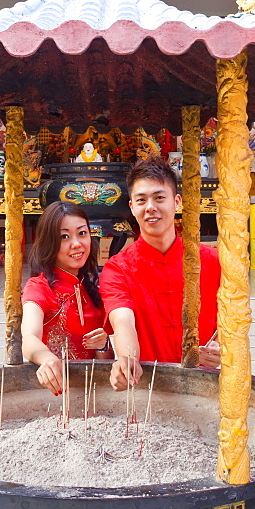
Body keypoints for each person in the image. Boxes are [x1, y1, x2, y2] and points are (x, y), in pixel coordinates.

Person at [99, 155, 221, 391]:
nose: (151, 207)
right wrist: (127, 360)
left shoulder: (212, 261)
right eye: (141, 200)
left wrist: (220, 348)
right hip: (150, 387)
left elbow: (231, 322)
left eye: (159, 198)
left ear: (176, 202)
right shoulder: (118, 269)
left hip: (206, 385)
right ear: (132, 207)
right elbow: (122, 321)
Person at [21, 201, 113, 395]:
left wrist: (103, 346)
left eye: (82, 233)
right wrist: (46, 358)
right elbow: (29, 337)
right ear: (49, 243)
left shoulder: (93, 290)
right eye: (64, 236)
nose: (76, 244)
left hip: (93, 396)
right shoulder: (39, 288)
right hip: (54, 394)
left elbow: (104, 362)